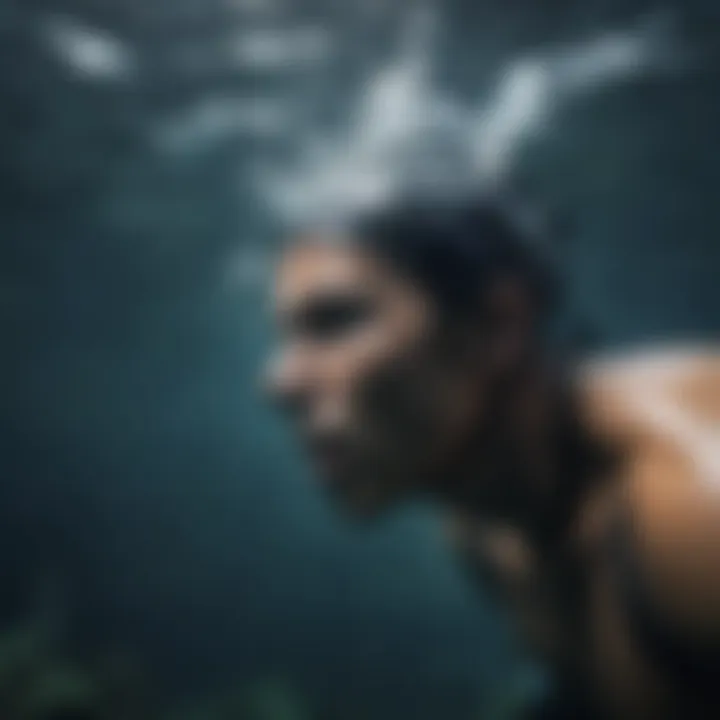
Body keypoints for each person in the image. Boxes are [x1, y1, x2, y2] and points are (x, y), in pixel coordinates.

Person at [263, 191, 720, 719]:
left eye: (335, 321)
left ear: (496, 323)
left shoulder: (694, 506)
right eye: (287, 337)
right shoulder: (484, 527)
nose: (278, 383)